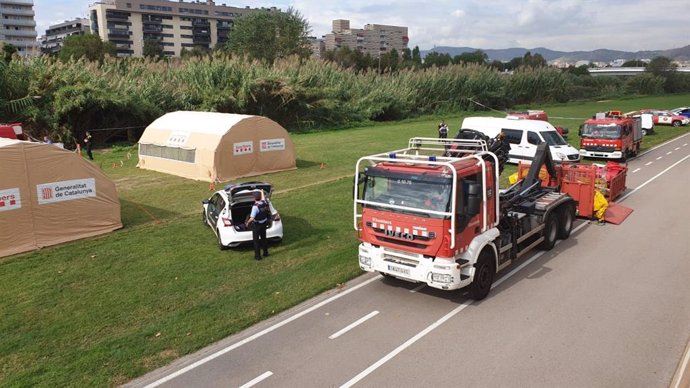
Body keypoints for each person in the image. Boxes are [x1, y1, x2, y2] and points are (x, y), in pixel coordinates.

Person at [246, 190, 270, 260]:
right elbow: (263, 198)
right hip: (264, 224)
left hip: (257, 225)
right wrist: (261, 191)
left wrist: (247, 222)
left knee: (256, 241)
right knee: (264, 239)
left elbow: (252, 218)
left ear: (254, 198)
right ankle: (265, 253)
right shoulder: (264, 203)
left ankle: (258, 256)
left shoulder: (255, 207)